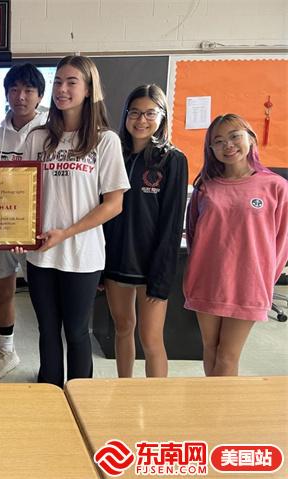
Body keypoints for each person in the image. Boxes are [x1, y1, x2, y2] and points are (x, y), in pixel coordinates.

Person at [21, 55, 130, 387]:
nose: (62, 89)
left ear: (89, 89)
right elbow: (22, 194)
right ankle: (50, 393)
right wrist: (17, 232)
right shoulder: (37, 138)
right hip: (40, 254)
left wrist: (66, 233)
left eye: (71, 82)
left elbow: (114, 204)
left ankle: (81, 398)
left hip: (83, 256)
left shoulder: (105, 140)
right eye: (57, 82)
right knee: (47, 329)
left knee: (77, 331)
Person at [184, 113, 288, 377]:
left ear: (250, 138)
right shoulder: (205, 188)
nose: (227, 145)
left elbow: (282, 241)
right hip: (207, 280)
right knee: (210, 349)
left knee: (227, 356)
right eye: (218, 141)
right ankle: (213, 401)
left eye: (234, 136)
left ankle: (222, 405)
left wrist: (266, 279)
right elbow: (194, 235)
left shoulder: (275, 187)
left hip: (248, 284)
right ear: (211, 149)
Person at [103, 84, 188, 378]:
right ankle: (124, 389)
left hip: (151, 265)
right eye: (135, 113)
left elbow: (172, 223)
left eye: (150, 113)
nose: (141, 120)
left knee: (151, 340)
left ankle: (156, 401)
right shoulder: (114, 154)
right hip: (116, 261)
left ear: (162, 116)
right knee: (123, 328)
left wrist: (161, 277)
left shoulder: (172, 159)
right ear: (126, 115)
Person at [0, 63, 47, 380]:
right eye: (15, 89)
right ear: (6, 93)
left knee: (45, 297)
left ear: (40, 96)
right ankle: (6, 350)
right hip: (0, 230)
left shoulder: (53, 136)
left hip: (41, 231)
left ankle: (50, 356)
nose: (21, 96)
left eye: (29, 90)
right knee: (2, 291)